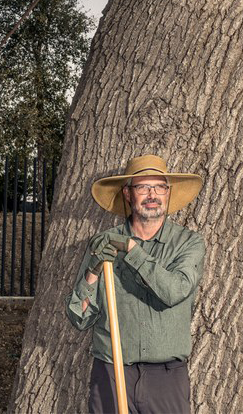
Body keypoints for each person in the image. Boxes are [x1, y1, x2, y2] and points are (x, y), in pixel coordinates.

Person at [65, 154, 205, 414]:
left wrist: (131, 250)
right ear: (128, 194)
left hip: (166, 378)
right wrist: (94, 270)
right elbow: (80, 318)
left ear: (168, 193)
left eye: (159, 187)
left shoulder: (188, 243)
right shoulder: (104, 243)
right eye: (143, 187)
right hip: (112, 372)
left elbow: (174, 291)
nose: (152, 195)